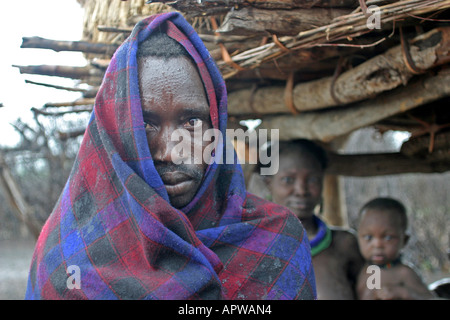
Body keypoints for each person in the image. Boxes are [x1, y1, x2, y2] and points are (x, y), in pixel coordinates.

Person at [24, 12, 316, 300]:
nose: (169, 151)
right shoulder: (67, 262)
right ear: (114, 134)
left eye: (191, 122)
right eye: (145, 125)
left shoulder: (278, 240)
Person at [260, 139, 364, 299]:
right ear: (269, 184)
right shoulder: (252, 244)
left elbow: (374, 284)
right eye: (288, 180)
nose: (302, 190)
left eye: (313, 180)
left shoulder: (344, 244)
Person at [356, 197, 435, 299]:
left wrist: (404, 293)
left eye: (388, 238)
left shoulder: (404, 273)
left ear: (404, 240)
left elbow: (430, 298)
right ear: (358, 237)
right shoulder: (359, 268)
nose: (377, 245)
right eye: (368, 237)